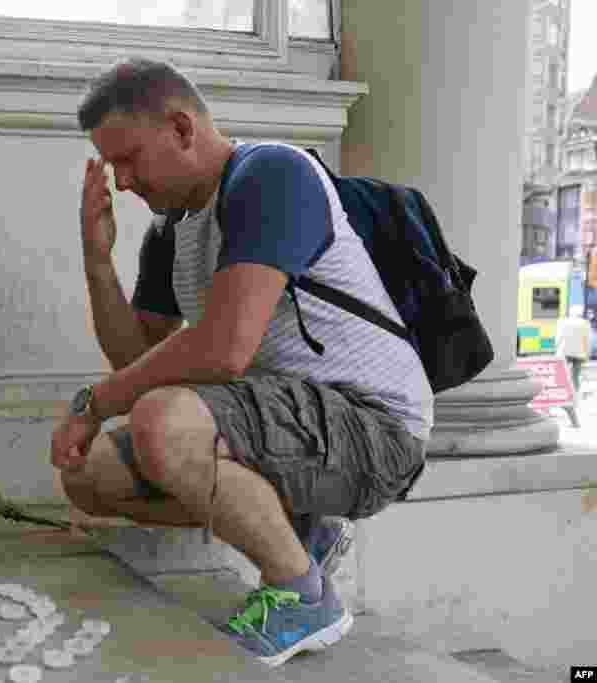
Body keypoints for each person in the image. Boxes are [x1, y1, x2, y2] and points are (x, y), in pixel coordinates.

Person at [50, 57, 432, 668]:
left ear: (181, 128)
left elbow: (224, 349)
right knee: (90, 474)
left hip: (375, 426)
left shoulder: (271, 175)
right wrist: (98, 262)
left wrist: (92, 404)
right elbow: (141, 361)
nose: (122, 182)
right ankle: (306, 538)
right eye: (111, 165)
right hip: (290, 424)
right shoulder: (170, 230)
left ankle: (301, 595)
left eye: (129, 158)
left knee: (162, 422)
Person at [556, 305, 590, 394]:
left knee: (563, 373)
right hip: (579, 353)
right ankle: (574, 392)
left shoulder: (562, 322)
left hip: (564, 351)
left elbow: (558, 337)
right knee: (575, 375)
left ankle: (563, 391)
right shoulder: (584, 323)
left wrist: (556, 348)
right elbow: (587, 339)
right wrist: (587, 354)